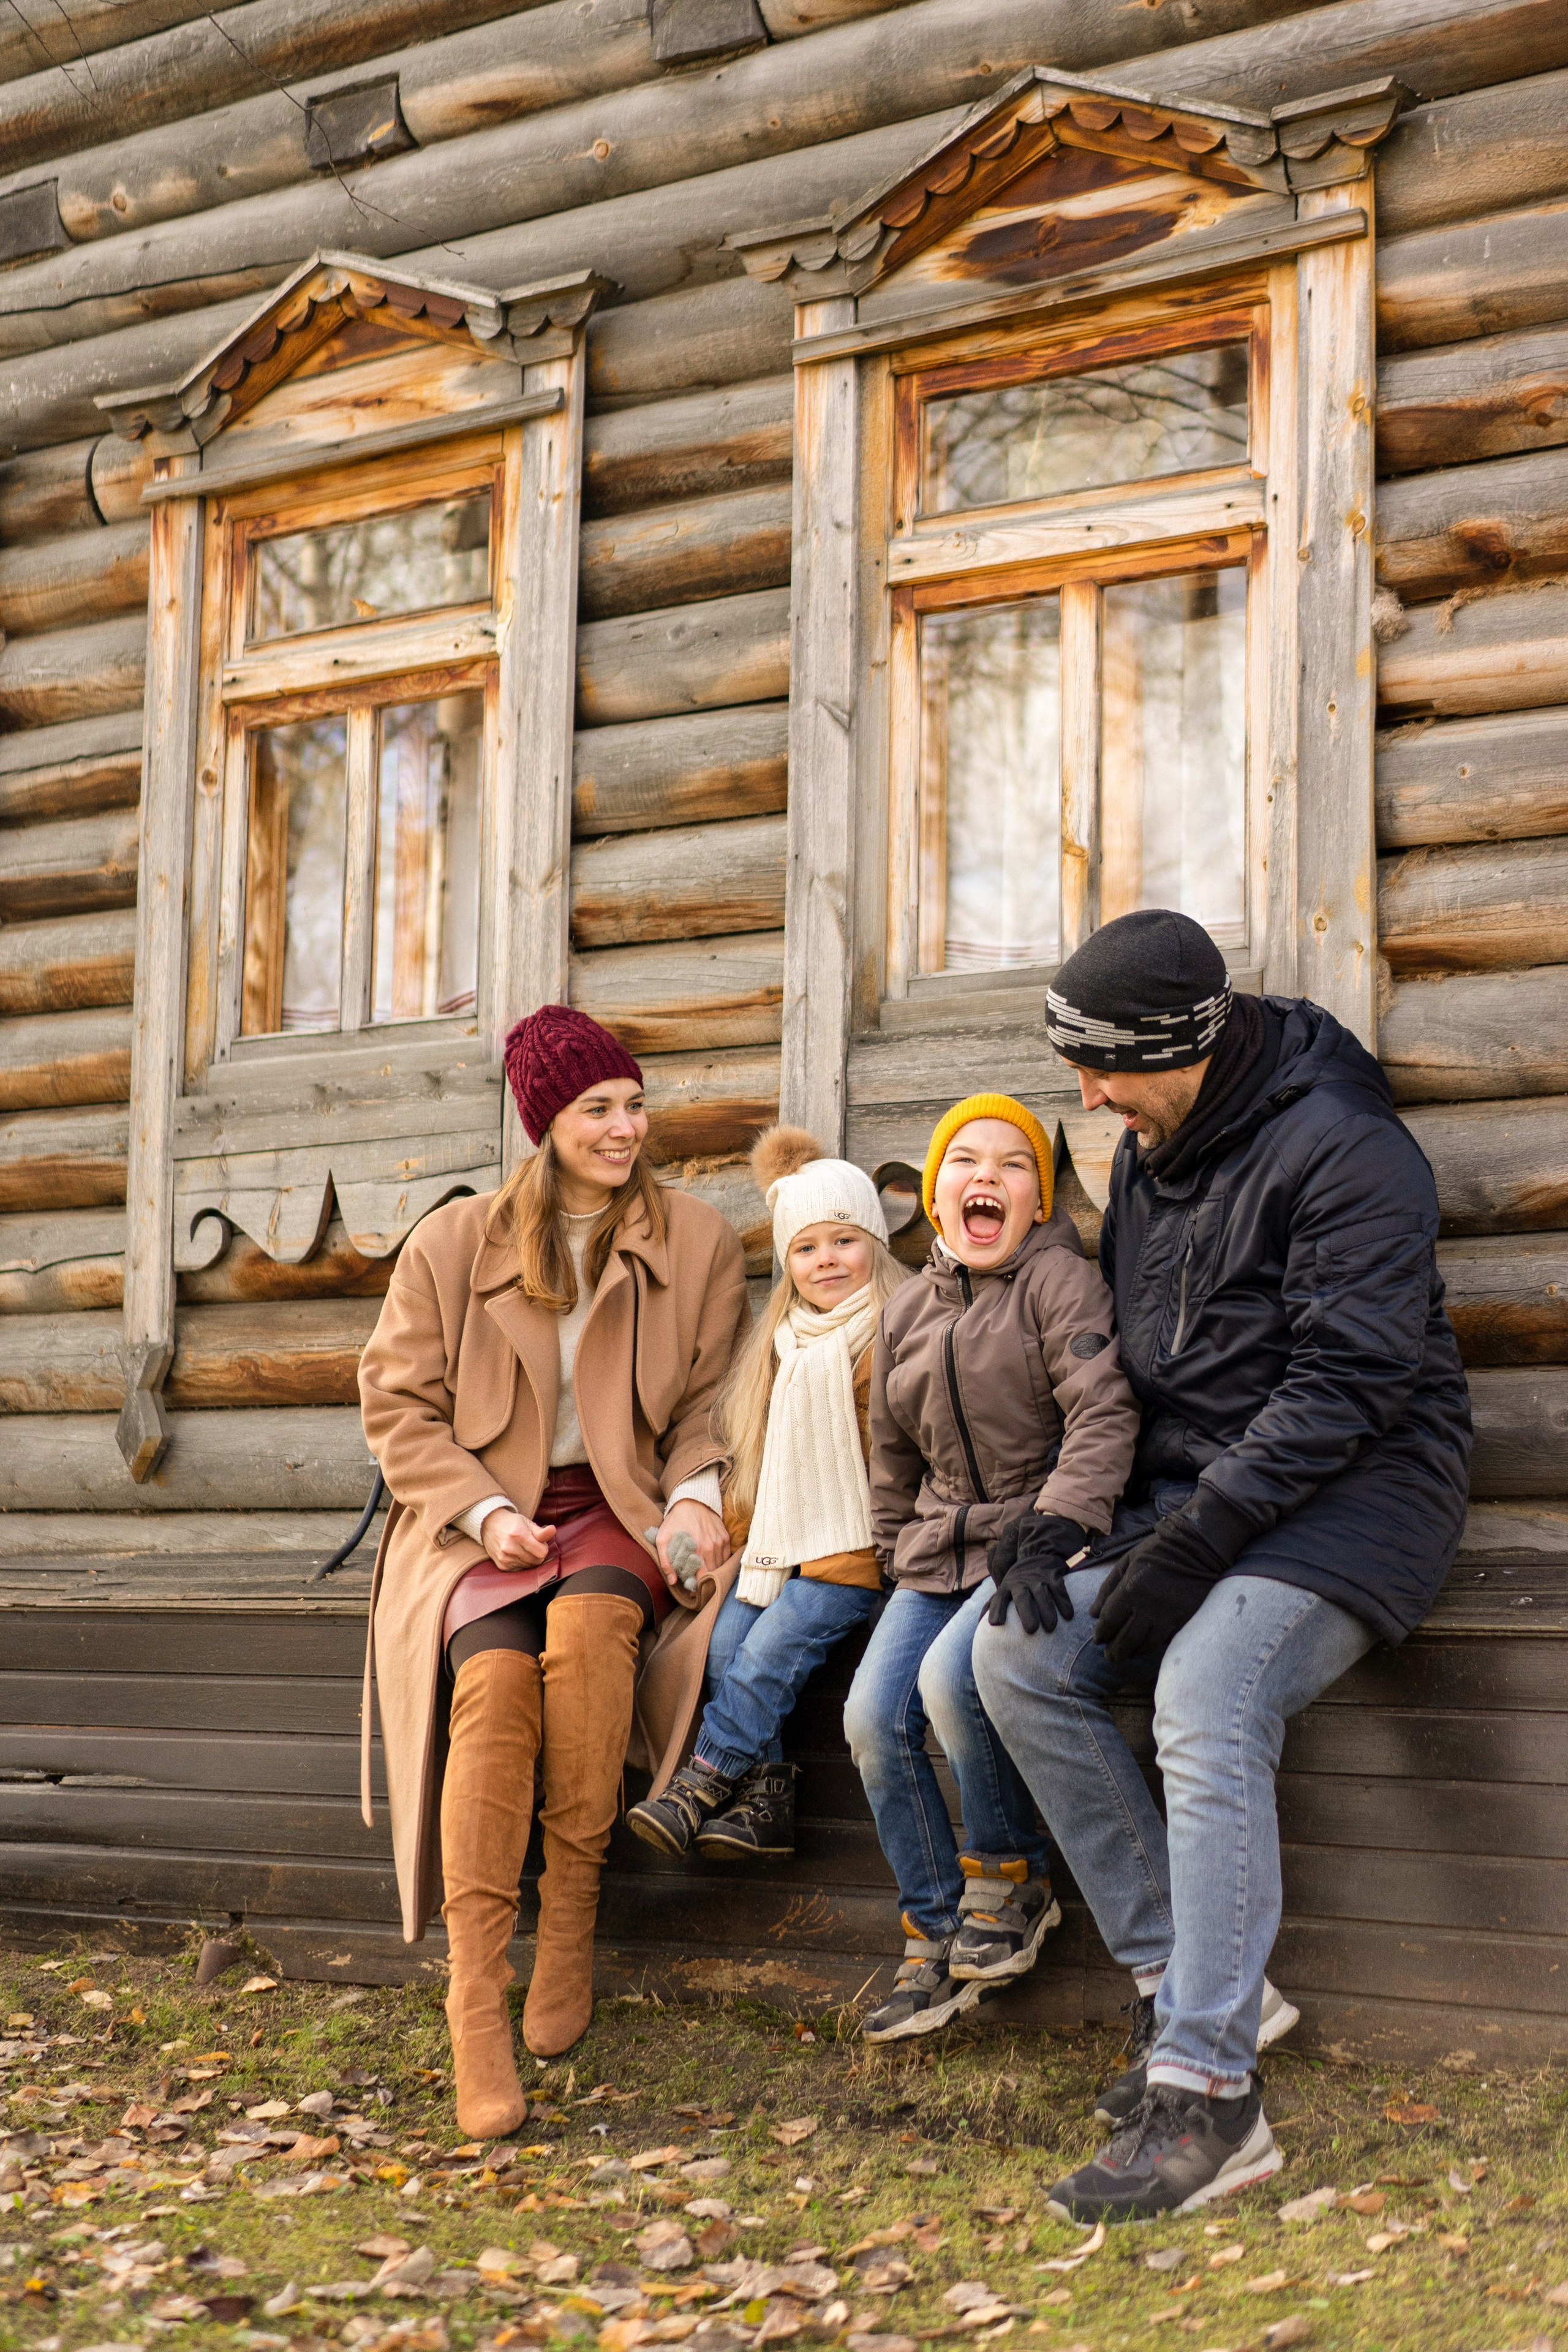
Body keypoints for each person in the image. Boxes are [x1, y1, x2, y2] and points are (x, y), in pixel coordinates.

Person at [971, 910, 1473, 2222]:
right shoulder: (1146, 1155)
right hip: (1205, 1502)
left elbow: (1349, 1384)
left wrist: (1196, 1538)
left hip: (1354, 1501)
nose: (1083, 1097)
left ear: (1185, 1046)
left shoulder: (1348, 1151)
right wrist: (1076, 1523)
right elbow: (1143, 1376)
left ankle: (1210, 2095)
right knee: (1012, 1652)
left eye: (1104, 1066)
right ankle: (1186, 1991)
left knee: (1204, 1693)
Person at [358, 1005, 751, 2137]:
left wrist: (690, 1494)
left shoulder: (696, 1242)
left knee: (588, 1640)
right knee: (491, 1685)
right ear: (546, 1123)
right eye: (598, 1110)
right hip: (480, 1522)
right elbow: (397, 1407)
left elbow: (704, 1410)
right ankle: (476, 1993)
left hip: (616, 1508)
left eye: (634, 1104)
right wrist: (483, 1514)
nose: (626, 1128)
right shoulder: (452, 1244)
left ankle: (569, 1913)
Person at [846, 1093, 1140, 2042]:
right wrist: (896, 1554)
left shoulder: (1059, 1282)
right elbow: (889, 1453)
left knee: (949, 1681)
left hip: (1030, 1544)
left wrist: (1061, 1522)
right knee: (869, 1718)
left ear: (1037, 1196)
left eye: (1013, 1165)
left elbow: (1103, 1410)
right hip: (934, 1553)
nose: (988, 1177)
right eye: (964, 1162)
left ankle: (1011, 1879)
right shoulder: (903, 1312)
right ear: (936, 1200)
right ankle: (933, 1931)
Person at [627, 1128, 908, 1861]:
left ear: (874, 1244)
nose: (826, 1261)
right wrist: (730, 1527)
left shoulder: (894, 1333)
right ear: (787, 1264)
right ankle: (766, 1805)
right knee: (725, 1647)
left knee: (768, 1654)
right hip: (783, 1549)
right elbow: (768, 1468)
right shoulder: (781, 1347)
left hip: (856, 1554)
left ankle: (702, 1779)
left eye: (843, 1241)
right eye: (806, 1248)